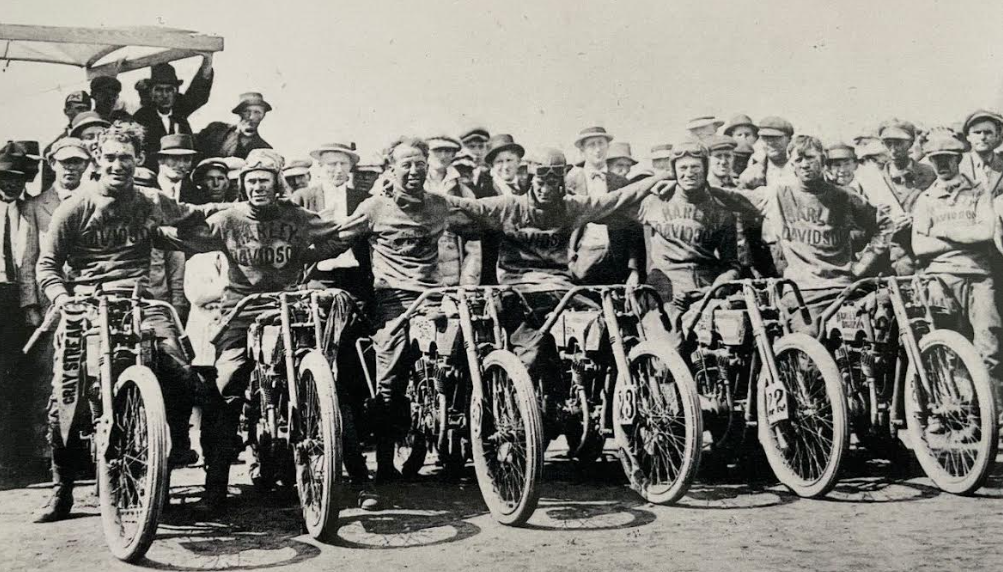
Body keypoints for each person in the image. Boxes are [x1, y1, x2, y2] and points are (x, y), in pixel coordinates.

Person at [31, 121, 219, 522]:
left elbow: (195, 215)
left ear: (139, 161)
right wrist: (63, 299)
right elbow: (46, 265)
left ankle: (170, 448)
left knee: (181, 370)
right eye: (111, 157)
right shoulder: (75, 207)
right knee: (67, 397)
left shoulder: (152, 200)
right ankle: (61, 490)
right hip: (86, 305)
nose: (118, 165)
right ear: (98, 160)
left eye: (127, 158)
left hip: (141, 302)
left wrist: (202, 225)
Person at [167, 149, 353, 509]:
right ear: (243, 184)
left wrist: (309, 254)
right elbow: (191, 240)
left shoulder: (296, 216)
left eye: (263, 181)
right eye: (251, 181)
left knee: (320, 378)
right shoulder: (227, 218)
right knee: (226, 390)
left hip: (287, 308)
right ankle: (215, 487)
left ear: (276, 184)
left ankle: (336, 476)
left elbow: (338, 233)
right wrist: (161, 232)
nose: (257, 188)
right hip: (241, 311)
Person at [720, 135, 894, 320]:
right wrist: (700, 185)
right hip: (802, 292)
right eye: (798, 159)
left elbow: (885, 224)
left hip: (842, 287)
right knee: (810, 339)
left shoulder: (844, 197)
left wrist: (862, 266)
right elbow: (735, 197)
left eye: (810, 158)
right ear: (792, 165)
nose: (804, 164)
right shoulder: (778, 195)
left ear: (823, 160)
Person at [913, 134, 1001, 398]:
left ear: (958, 159)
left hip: (978, 276)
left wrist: (943, 231)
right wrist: (964, 238)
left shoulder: (978, 191)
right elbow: (920, 246)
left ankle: (997, 416)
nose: (942, 165)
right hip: (941, 278)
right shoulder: (926, 198)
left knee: (989, 344)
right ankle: (967, 416)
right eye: (936, 160)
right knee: (951, 345)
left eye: (947, 159)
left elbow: (985, 232)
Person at [619, 141, 741, 310]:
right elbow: (619, 221)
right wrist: (633, 272)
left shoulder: (722, 212)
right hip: (662, 290)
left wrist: (715, 290)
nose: (689, 173)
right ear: (674, 171)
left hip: (705, 291)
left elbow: (731, 265)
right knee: (666, 336)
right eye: (683, 168)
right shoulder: (653, 202)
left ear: (705, 169)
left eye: (695, 167)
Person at [290, 142, 373, 303]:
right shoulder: (303, 197)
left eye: (343, 164)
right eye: (332, 164)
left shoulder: (363, 198)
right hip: (317, 277)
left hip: (355, 277)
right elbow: (292, 241)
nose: (339, 169)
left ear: (350, 167)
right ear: (320, 166)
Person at [565, 126, 645, 286]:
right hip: (580, 258)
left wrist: (634, 269)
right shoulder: (570, 182)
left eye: (601, 143)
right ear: (582, 150)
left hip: (616, 259)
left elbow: (634, 228)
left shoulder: (622, 183)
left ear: (608, 147)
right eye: (591, 145)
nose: (597, 150)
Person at [856, 119, 935, 276]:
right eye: (888, 143)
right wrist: (875, 221)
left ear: (911, 143)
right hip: (884, 265)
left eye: (899, 143)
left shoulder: (930, 174)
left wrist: (917, 219)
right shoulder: (872, 181)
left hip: (921, 260)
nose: (893, 149)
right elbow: (860, 228)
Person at [0, 144, 35, 482]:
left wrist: (29, 304)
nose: (12, 184)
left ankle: (14, 459)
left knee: (15, 377)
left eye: (19, 178)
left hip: (15, 298)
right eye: (5, 177)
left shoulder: (28, 211)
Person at [133, 56, 215, 170]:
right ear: (151, 93)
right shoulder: (142, 118)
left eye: (169, 90)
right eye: (159, 90)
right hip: (154, 175)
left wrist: (207, 59)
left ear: (175, 92)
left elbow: (199, 92)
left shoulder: (179, 111)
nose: (165, 95)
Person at [196, 92, 274, 160]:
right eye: (246, 111)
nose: (251, 117)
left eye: (257, 112)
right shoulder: (215, 129)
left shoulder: (264, 149)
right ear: (239, 113)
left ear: (263, 116)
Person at [41, 91, 92, 189]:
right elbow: (47, 190)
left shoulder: (96, 142)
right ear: (66, 111)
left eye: (87, 110)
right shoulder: (53, 148)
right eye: (79, 109)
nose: (84, 114)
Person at [739, 115, 794, 189]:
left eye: (776, 138)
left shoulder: (800, 166)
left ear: (789, 139)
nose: (770, 143)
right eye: (765, 138)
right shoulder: (754, 170)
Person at [960, 110, 1003, 198]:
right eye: (977, 132)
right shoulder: (957, 164)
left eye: (988, 132)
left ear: (997, 136)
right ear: (968, 137)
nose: (982, 137)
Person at [156, 134, 199, 202]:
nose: (181, 165)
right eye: (175, 158)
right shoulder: (145, 189)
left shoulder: (195, 194)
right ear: (160, 160)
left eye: (187, 159)